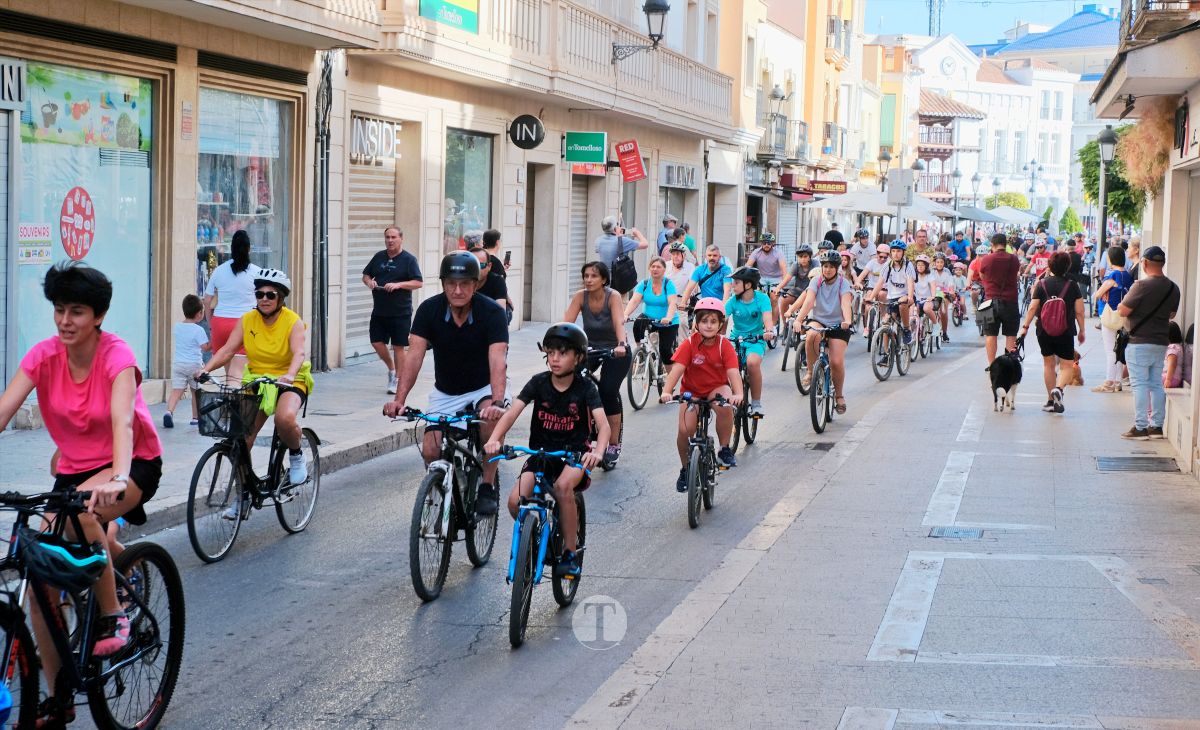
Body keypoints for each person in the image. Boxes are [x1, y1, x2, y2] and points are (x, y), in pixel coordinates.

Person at [0, 263, 163, 722]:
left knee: (89, 511)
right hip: (73, 470)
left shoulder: (117, 356)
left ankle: (113, 614)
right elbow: (4, 409)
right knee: (39, 583)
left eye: (77, 311)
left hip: (131, 463)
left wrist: (119, 474)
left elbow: (123, 423)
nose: (66, 320)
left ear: (98, 315)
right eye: (59, 310)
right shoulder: (42, 356)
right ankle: (58, 700)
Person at [383, 252, 510, 512]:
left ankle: (486, 484)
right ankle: (446, 493)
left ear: (475, 285)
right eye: (451, 283)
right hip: (446, 391)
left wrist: (497, 401)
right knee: (430, 450)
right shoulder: (429, 310)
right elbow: (414, 356)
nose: (458, 290)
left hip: (481, 389)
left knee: (491, 427)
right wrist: (399, 400)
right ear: (443, 284)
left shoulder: (492, 313)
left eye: (465, 284)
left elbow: (498, 360)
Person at [485, 323, 608, 578]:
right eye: (551, 352)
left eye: (562, 353)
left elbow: (604, 426)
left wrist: (598, 451)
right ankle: (535, 536)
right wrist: (495, 439)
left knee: (564, 488)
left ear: (578, 357)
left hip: (574, 456)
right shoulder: (538, 383)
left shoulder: (586, 388)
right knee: (513, 502)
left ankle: (570, 554)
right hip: (540, 455)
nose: (555, 358)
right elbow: (511, 414)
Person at [201, 268, 313, 490]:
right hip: (258, 380)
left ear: (280, 298)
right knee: (241, 440)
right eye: (259, 294)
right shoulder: (247, 320)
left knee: (284, 419)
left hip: (289, 379)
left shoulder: (293, 321)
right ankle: (244, 494)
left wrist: (290, 375)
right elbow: (227, 350)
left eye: (270, 295)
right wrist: (205, 369)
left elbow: (299, 353)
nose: (264, 299)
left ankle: (297, 455)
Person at [658, 297, 743, 488]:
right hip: (691, 391)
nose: (709, 325)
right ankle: (685, 468)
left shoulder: (724, 345)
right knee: (684, 430)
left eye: (714, 321)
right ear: (696, 323)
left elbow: (733, 372)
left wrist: (738, 393)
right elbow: (676, 371)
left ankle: (724, 449)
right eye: (704, 321)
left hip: (716, 388)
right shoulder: (689, 343)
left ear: (721, 324)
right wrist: (666, 391)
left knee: (725, 405)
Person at [565, 261, 630, 469]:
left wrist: (621, 344)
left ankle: (613, 444)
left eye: (593, 276)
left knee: (607, 390)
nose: (589, 280)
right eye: (586, 276)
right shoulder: (579, 297)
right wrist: (558, 344)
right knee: (570, 383)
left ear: (603, 279)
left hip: (615, 350)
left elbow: (619, 322)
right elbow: (566, 324)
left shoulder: (613, 296)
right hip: (589, 348)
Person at [1118, 245, 1180, 439]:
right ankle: (1157, 426)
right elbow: (1171, 314)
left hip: (1139, 342)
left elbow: (1123, 311)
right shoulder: (1173, 287)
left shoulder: (1141, 286)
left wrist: (1122, 305)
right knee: (1155, 384)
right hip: (1161, 341)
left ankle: (1141, 426)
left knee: (1139, 385)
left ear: (1144, 263)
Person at [1018, 252, 1085, 414]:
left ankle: (1050, 400)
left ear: (1050, 266)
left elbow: (1033, 307)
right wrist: (1082, 329)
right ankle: (1059, 390)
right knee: (1067, 365)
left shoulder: (1042, 284)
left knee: (1048, 364)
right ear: (1067, 266)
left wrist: (1025, 327)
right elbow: (1079, 311)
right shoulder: (1072, 285)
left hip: (1044, 330)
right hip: (1066, 330)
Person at [362, 226, 423, 394]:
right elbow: (366, 275)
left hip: (400, 311)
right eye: (387, 237)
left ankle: (397, 380)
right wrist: (369, 282)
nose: (390, 240)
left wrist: (399, 285)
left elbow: (418, 282)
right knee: (376, 342)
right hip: (380, 309)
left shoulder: (409, 260)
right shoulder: (379, 257)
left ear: (400, 239)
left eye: (393, 237)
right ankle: (392, 369)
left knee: (398, 347)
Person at [793, 251, 853, 413]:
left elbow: (845, 304)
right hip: (819, 320)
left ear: (837, 268)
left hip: (839, 324)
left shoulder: (843, 283)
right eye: (825, 266)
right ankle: (812, 370)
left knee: (836, 362)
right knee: (812, 334)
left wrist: (846, 320)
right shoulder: (816, 282)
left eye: (831, 267)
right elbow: (809, 301)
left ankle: (839, 395)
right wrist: (799, 319)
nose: (827, 270)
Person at [203, 229, 259, 383]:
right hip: (244, 324)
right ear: (249, 249)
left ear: (231, 248)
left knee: (229, 373)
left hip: (220, 323)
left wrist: (210, 324)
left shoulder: (219, 271)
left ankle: (230, 404)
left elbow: (207, 301)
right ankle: (238, 405)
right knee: (238, 376)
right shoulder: (257, 273)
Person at [725, 266, 774, 417]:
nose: (733, 285)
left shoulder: (762, 298)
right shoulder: (733, 300)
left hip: (756, 339)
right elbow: (721, 318)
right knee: (727, 365)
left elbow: (767, 317)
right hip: (736, 338)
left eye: (736, 282)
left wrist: (768, 331)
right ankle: (730, 396)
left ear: (748, 284)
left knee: (752, 364)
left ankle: (756, 403)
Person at [623, 256, 680, 370]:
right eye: (653, 266)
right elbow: (634, 301)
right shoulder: (644, 284)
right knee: (638, 323)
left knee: (664, 351)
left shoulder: (668, 284)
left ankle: (670, 378)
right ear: (649, 269)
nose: (655, 269)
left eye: (658, 267)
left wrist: (668, 317)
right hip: (649, 318)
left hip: (668, 322)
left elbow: (673, 302)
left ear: (664, 270)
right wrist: (625, 314)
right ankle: (640, 351)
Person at [1092, 246, 1134, 393]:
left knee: (1110, 350)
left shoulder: (1113, 275)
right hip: (1124, 316)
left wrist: (1104, 292)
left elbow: (1097, 294)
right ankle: (1117, 382)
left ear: (1110, 259)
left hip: (1110, 316)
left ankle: (1109, 382)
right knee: (1119, 349)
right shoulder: (1128, 276)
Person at [164, 294, 210, 428]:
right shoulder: (199, 329)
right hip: (194, 366)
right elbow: (205, 348)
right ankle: (196, 418)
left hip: (178, 364)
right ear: (199, 314)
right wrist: (214, 342)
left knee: (176, 390)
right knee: (195, 391)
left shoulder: (177, 327)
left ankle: (169, 412)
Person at [978, 233, 1022, 365]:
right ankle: (1009, 365)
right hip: (1010, 301)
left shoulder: (986, 259)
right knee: (1011, 335)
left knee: (990, 335)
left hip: (988, 301)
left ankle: (992, 365)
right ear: (1006, 244)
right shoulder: (1014, 259)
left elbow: (982, 275)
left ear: (992, 244)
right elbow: (1016, 275)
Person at [870, 241, 916, 345]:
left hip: (906, 296)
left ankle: (906, 329)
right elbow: (879, 283)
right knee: (886, 323)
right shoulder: (887, 266)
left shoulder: (908, 265)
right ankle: (887, 354)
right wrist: (871, 297)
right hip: (892, 298)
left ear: (903, 252)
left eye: (899, 251)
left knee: (902, 303)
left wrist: (910, 296)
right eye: (893, 251)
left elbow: (910, 282)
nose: (896, 253)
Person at [745, 232, 787, 317]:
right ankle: (760, 321)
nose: (766, 245)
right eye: (764, 243)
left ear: (772, 244)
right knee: (758, 298)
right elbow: (748, 265)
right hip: (761, 278)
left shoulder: (778, 253)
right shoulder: (756, 252)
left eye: (769, 243)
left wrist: (784, 284)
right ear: (761, 243)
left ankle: (774, 326)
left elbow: (784, 269)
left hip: (776, 278)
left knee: (773, 299)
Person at [853, 244, 891, 329]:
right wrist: (858, 283)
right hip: (872, 287)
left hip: (884, 288)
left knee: (881, 295)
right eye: (881, 256)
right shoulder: (872, 262)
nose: (883, 259)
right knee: (867, 305)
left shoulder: (890, 263)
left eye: (885, 257)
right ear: (877, 254)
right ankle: (866, 327)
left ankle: (882, 321)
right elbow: (862, 275)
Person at [482, 229, 514, 322]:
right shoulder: (495, 262)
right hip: (494, 302)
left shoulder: (482, 259)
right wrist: (509, 301)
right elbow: (500, 286)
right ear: (497, 242)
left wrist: (502, 269)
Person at [469, 245, 509, 313]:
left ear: (489, 266)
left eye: (481, 265)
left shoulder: (497, 281)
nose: (477, 269)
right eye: (473, 265)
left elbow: (500, 312)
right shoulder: (461, 280)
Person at [779, 244, 816, 316]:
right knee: (784, 300)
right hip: (797, 290)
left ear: (810, 257)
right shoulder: (795, 265)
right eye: (800, 257)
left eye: (805, 256)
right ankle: (785, 325)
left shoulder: (815, 264)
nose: (803, 259)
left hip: (810, 291)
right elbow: (787, 279)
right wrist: (778, 288)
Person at [928, 253, 956, 342]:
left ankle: (944, 332)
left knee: (943, 312)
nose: (939, 264)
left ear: (944, 263)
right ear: (934, 263)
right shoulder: (931, 271)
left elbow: (950, 283)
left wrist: (951, 291)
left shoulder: (947, 272)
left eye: (941, 262)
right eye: (937, 262)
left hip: (944, 294)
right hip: (933, 294)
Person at [1164, 322, 1185, 389]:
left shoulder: (1172, 348)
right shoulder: (1178, 346)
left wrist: (1168, 380)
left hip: (1170, 378)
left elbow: (1172, 364)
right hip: (1174, 378)